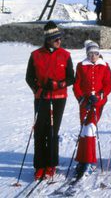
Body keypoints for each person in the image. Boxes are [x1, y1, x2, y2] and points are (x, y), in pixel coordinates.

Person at [26, 21, 75, 180]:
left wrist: (59, 84)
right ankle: (40, 166)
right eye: (55, 39)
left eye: (59, 38)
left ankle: (51, 165)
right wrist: (37, 89)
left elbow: (71, 78)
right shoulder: (35, 55)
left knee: (52, 131)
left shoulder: (65, 55)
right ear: (47, 39)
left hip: (59, 98)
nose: (59, 41)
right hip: (42, 97)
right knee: (40, 130)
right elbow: (29, 77)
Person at [73, 40, 111, 176]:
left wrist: (100, 96)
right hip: (85, 102)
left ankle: (90, 161)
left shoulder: (104, 66)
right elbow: (76, 84)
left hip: (97, 103)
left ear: (99, 54)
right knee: (84, 130)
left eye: (96, 53)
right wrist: (82, 98)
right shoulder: (81, 66)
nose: (93, 56)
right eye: (90, 54)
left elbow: (108, 85)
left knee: (90, 129)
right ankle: (81, 160)